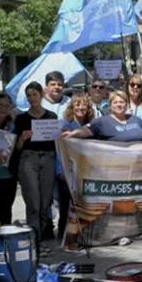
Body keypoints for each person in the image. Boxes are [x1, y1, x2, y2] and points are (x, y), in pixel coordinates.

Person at [14, 83, 59, 246]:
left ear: (41, 95)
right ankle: (34, 238)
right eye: (29, 95)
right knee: (33, 200)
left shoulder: (51, 116)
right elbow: (16, 147)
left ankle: (44, 233)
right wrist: (22, 138)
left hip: (48, 158)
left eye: (35, 94)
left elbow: (56, 141)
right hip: (28, 158)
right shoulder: (21, 118)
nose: (32, 98)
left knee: (45, 200)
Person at [58, 93, 95, 245]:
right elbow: (60, 150)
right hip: (68, 170)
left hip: (86, 170)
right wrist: (60, 170)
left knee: (84, 204)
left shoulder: (91, 125)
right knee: (66, 205)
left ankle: (83, 232)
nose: (81, 108)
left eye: (84, 105)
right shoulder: (65, 125)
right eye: (77, 105)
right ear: (72, 107)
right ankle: (65, 235)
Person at [64, 90, 142, 142]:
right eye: (115, 102)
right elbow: (86, 130)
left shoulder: (134, 118)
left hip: (141, 164)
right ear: (110, 106)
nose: (119, 105)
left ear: (126, 104)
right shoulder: (102, 121)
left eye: (122, 102)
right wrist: (74, 133)